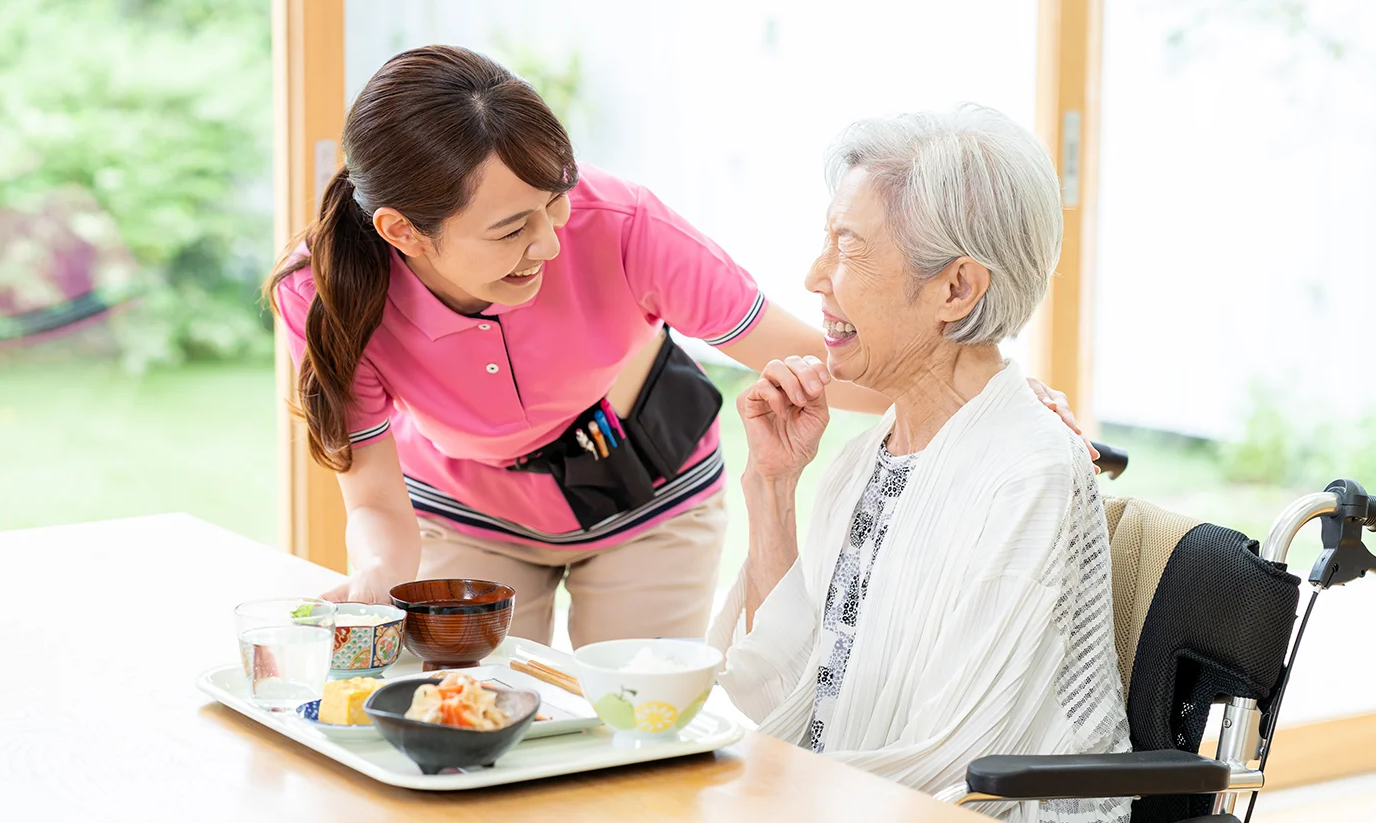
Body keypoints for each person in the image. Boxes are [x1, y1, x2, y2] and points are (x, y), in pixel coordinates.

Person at [268, 45, 1091, 649]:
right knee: (477, 718)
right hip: (468, 513)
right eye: (511, 228)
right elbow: (375, 503)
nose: (549, 242)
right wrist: (379, 574)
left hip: (649, 498)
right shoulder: (328, 293)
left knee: (634, 746)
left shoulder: (624, 225)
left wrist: (984, 394)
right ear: (402, 231)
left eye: (554, 202)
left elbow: (821, 362)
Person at [708, 106, 1129, 823]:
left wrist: (759, 793)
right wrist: (773, 486)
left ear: (956, 289)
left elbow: (952, 765)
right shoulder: (869, 455)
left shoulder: (1027, 472)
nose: (814, 277)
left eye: (848, 248)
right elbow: (787, 697)